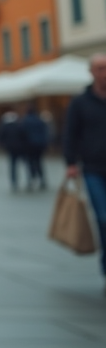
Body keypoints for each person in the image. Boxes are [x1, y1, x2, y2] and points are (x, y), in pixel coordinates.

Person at [64, 53, 106, 285]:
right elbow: (70, 133)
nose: (104, 73)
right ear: (91, 72)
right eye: (100, 68)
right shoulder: (80, 102)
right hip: (92, 167)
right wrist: (70, 162)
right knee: (103, 217)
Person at [20, 104, 49, 191]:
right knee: (39, 162)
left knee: (29, 164)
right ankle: (42, 180)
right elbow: (45, 133)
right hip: (39, 145)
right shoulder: (40, 121)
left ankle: (31, 180)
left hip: (28, 146)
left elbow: (22, 134)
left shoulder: (25, 121)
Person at [0, 107, 27, 191]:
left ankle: (14, 182)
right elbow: (24, 136)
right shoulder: (19, 125)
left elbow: (1, 137)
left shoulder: (5, 127)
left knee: (13, 166)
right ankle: (29, 180)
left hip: (11, 148)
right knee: (25, 164)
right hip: (21, 148)